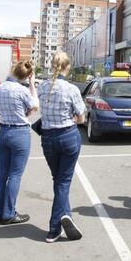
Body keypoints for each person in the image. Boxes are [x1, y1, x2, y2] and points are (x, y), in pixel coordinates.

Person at [36, 52, 86, 243]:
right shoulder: (71, 89)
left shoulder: (43, 87)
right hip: (68, 137)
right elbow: (81, 117)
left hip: (48, 138)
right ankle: (55, 228)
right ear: (67, 67)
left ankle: (66, 216)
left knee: (58, 180)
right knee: (63, 182)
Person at [0, 61, 38, 225]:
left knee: (1, 174)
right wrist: (32, 85)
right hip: (20, 132)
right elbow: (35, 105)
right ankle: (8, 213)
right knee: (15, 175)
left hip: (3, 131)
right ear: (26, 76)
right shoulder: (22, 90)